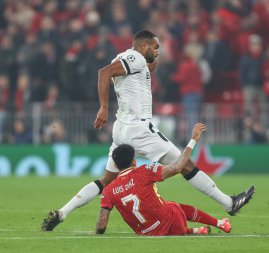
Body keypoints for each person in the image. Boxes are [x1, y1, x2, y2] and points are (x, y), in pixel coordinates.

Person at [42, 30, 254, 231]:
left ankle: (62, 212)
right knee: (185, 165)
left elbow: (138, 71)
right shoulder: (137, 58)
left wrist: (152, 62)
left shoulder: (130, 59)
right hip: (140, 129)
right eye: (155, 46)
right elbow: (103, 73)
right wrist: (104, 107)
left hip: (121, 130)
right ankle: (229, 204)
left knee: (106, 180)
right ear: (143, 46)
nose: (158, 50)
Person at [96, 123, 233, 236]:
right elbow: (178, 167)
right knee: (174, 206)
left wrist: (98, 232)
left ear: (114, 165)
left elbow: (102, 225)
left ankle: (195, 231)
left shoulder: (107, 191)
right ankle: (220, 224)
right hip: (173, 224)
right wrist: (193, 141)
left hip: (145, 233)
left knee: (163, 212)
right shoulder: (145, 171)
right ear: (133, 161)